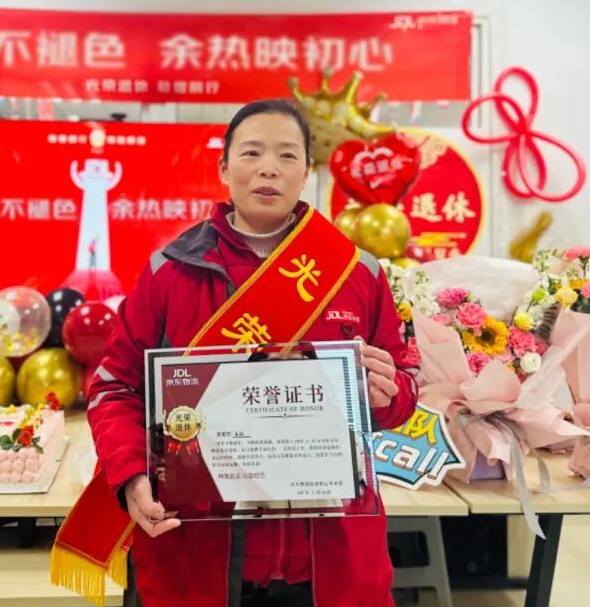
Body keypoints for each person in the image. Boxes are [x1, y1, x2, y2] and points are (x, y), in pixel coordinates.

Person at [82, 99, 418, 607]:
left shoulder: (355, 272)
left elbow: (406, 383)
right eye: (252, 152)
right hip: (199, 556)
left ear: (306, 173)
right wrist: (131, 472)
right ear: (224, 168)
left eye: (287, 155)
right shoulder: (170, 272)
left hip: (331, 560)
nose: (268, 168)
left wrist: (386, 392)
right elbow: (115, 387)